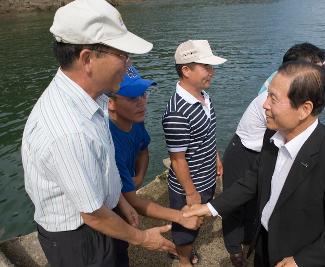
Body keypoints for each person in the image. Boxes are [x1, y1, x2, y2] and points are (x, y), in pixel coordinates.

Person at [21, 1, 175, 266]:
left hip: (102, 213)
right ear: (87, 59)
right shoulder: (69, 130)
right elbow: (92, 215)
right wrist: (143, 238)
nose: (128, 65)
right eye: (123, 55)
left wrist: (119, 202)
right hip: (79, 236)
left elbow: (102, 166)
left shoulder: (94, 97)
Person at [184, 61, 325, 267]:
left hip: (300, 256)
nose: (265, 104)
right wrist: (210, 208)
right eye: (268, 94)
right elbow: (253, 179)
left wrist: (301, 261)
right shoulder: (273, 134)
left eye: (273, 98)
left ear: (304, 109)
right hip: (265, 243)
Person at [222, 43, 325, 267]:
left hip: (263, 149)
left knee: (257, 202)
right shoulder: (278, 104)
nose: (320, 79)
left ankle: (249, 240)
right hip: (244, 150)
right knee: (238, 204)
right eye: (316, 70)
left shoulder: (290, 96)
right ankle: (235, 250)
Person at [108, 65, 203, 266]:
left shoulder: (135, 120)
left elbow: (143, 149)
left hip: (121, 190)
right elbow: (133, 200)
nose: (142, 102)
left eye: (144, 94)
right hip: (102, 205)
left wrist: (140, 176)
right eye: (133, 98)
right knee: (113, 251)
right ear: (110, 103)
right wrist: (181, 216)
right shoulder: (110, 142)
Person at [162, 40, 226, 267]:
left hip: (206, 177)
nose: (212, 72)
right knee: (186, 227)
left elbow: (207, 135)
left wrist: (216, 157)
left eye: (211, 67)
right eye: (206, 67)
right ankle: (183, 259)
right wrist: (191, 194)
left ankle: (183, 250)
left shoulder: (205, 97)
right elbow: (177, 160)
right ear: (186, 70)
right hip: (190, 185)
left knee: (194, 225)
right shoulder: (177, 113)